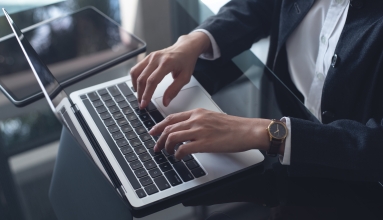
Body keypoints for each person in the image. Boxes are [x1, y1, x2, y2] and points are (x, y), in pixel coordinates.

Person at [130, 0, 383, 182]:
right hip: (285, 124)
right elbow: (261, 7)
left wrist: (262, 131)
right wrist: (197, 40)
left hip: (352, 182)